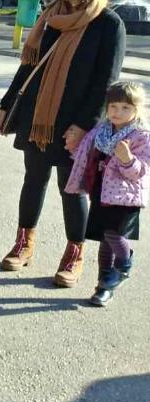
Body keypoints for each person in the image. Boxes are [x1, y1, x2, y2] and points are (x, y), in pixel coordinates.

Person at [0, 0, 125, 287]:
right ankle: (24, 243)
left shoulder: (108, 25)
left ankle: (75, 253)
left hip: (74, 123)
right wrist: (8, 103)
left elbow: (105, 82)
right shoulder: (52, 18)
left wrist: (83, 125)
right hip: (38, 116)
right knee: (33, 179)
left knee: (72, 190)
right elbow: (29, 66)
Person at [64, 82, 150, 307]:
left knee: (113, 235)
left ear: (136, 110)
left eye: (125, 107)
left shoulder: (140, 136)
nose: (117, 112)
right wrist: (76, 149)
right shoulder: (101, 131)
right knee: (104, 239)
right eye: (113, 106)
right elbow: (85, 153)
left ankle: (124, 266)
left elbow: (141, 171)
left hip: (125, 197)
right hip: (101, 192)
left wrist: (127, 159)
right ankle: (104, 286)